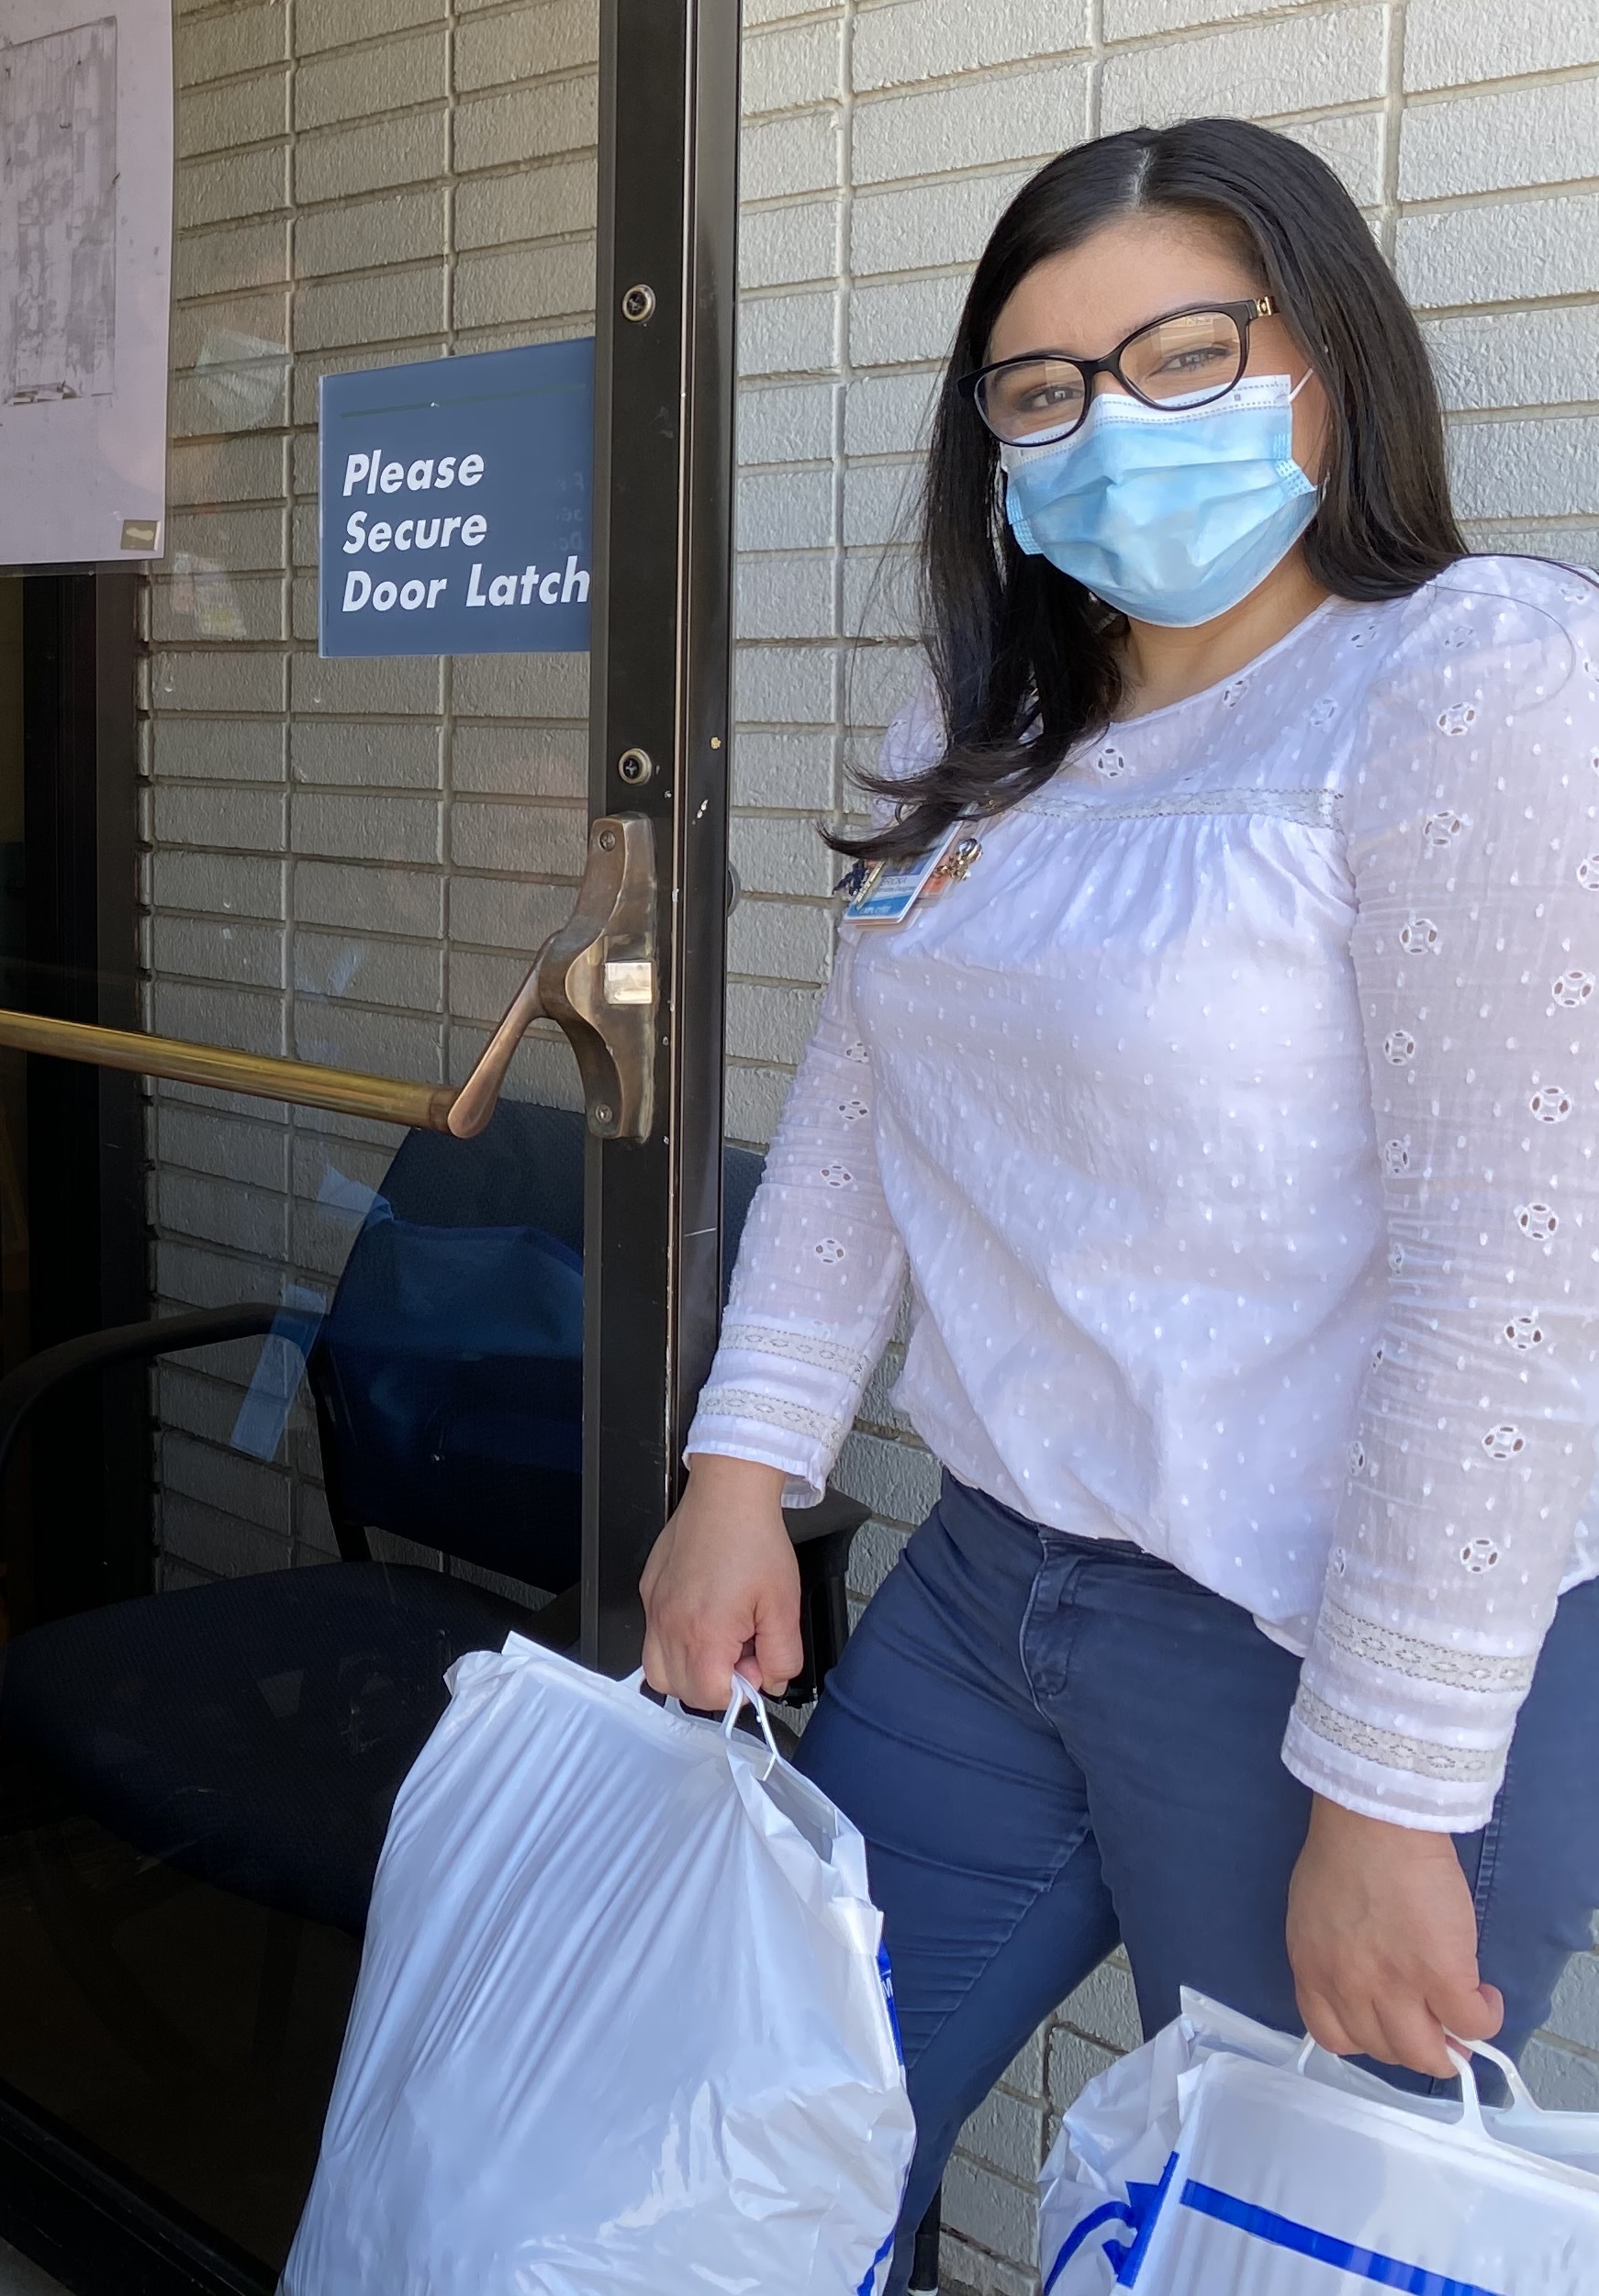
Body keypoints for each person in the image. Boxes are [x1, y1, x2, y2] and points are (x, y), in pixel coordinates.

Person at [640, 118, 1599, 2261]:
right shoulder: (982, 720)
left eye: (1184, 356)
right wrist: (741, 1466)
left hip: (1324, 1651)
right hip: (994, 1592)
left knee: (1262, 2244)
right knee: (739, 2160)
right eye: (1042, 389)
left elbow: (1520, 1280)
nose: (1107, 428)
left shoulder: (1470, 680)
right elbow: (864, 1118)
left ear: (1324, 366)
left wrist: (1390, 1789)